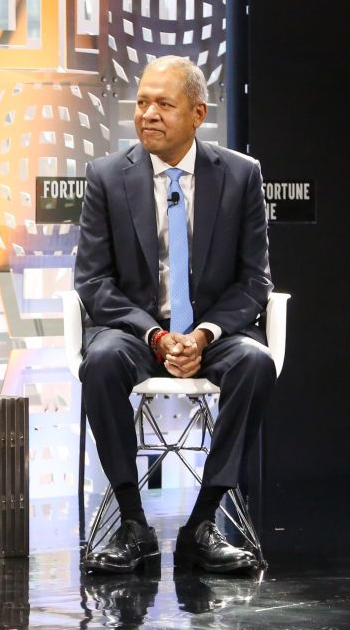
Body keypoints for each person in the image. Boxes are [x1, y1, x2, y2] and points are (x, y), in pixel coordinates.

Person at [74, 54, 275, 575]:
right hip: (136, 333)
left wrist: (203, 335)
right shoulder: (106, 176)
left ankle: (203, 522)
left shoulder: (240, 175)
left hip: (213, 334)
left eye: (164, 104)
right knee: (101, 361)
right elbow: (93, 281)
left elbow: (255, 281)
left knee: (255, 362)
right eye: (142, 102)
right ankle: (132, 523)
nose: (148, 114)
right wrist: (156, 337)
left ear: (197, 114)